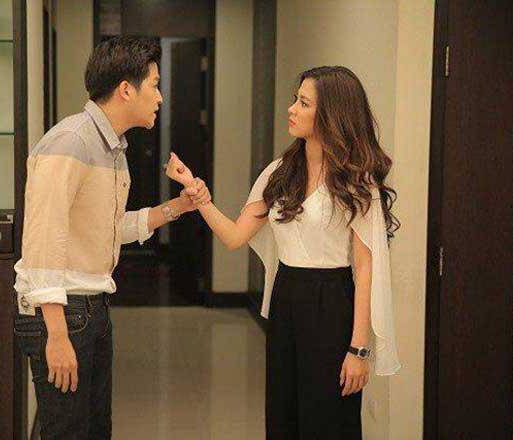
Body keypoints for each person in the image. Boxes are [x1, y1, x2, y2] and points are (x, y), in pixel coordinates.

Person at [166, 66, 401, 439]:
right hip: (287, 297)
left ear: (331, 115)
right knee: (284, 414)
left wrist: (359, 349)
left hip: (333, 303)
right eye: (295, 100)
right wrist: (199, 196)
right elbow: (234, 236)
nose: (291, 109)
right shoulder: (280, 172)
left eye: (303, 103)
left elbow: (364, 266)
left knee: (327, 420)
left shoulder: (356, 180)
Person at [12, 36, 210, 439]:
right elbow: (42, 239)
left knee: (95, 430)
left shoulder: (112, 148)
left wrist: (178, 207)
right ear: (126, 89)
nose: (160, 97)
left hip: (92, 308)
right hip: (62, 311)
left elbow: (108, 228)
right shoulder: (71, 141)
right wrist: (57, 334)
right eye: (154, 85)